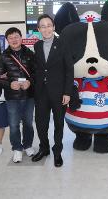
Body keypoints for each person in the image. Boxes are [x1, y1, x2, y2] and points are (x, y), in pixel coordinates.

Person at [32, 14, 73, 167]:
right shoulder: (37, 46)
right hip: (41, 93)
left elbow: (69, 70)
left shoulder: (63, 44)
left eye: (49, 25)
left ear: (54, 27)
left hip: (59, 93)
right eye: (43, 26)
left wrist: (67, 92)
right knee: (40, 123)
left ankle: (57, 152)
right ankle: (44, 149)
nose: (46, 28)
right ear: (38, 29)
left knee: (58, 124)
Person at [0, 27, 35, 163]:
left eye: (16, 36)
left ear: (21, 37)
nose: (14, 40)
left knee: (28, 123)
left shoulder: (30, 53)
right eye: (11, 38)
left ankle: (28, 145)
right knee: (14, 124)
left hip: (29, 96)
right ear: (7, 40)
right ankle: (17, 148)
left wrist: (30, 81)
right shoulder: (2, 56)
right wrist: (9, 84)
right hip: (12, 97)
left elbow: (37, 74)